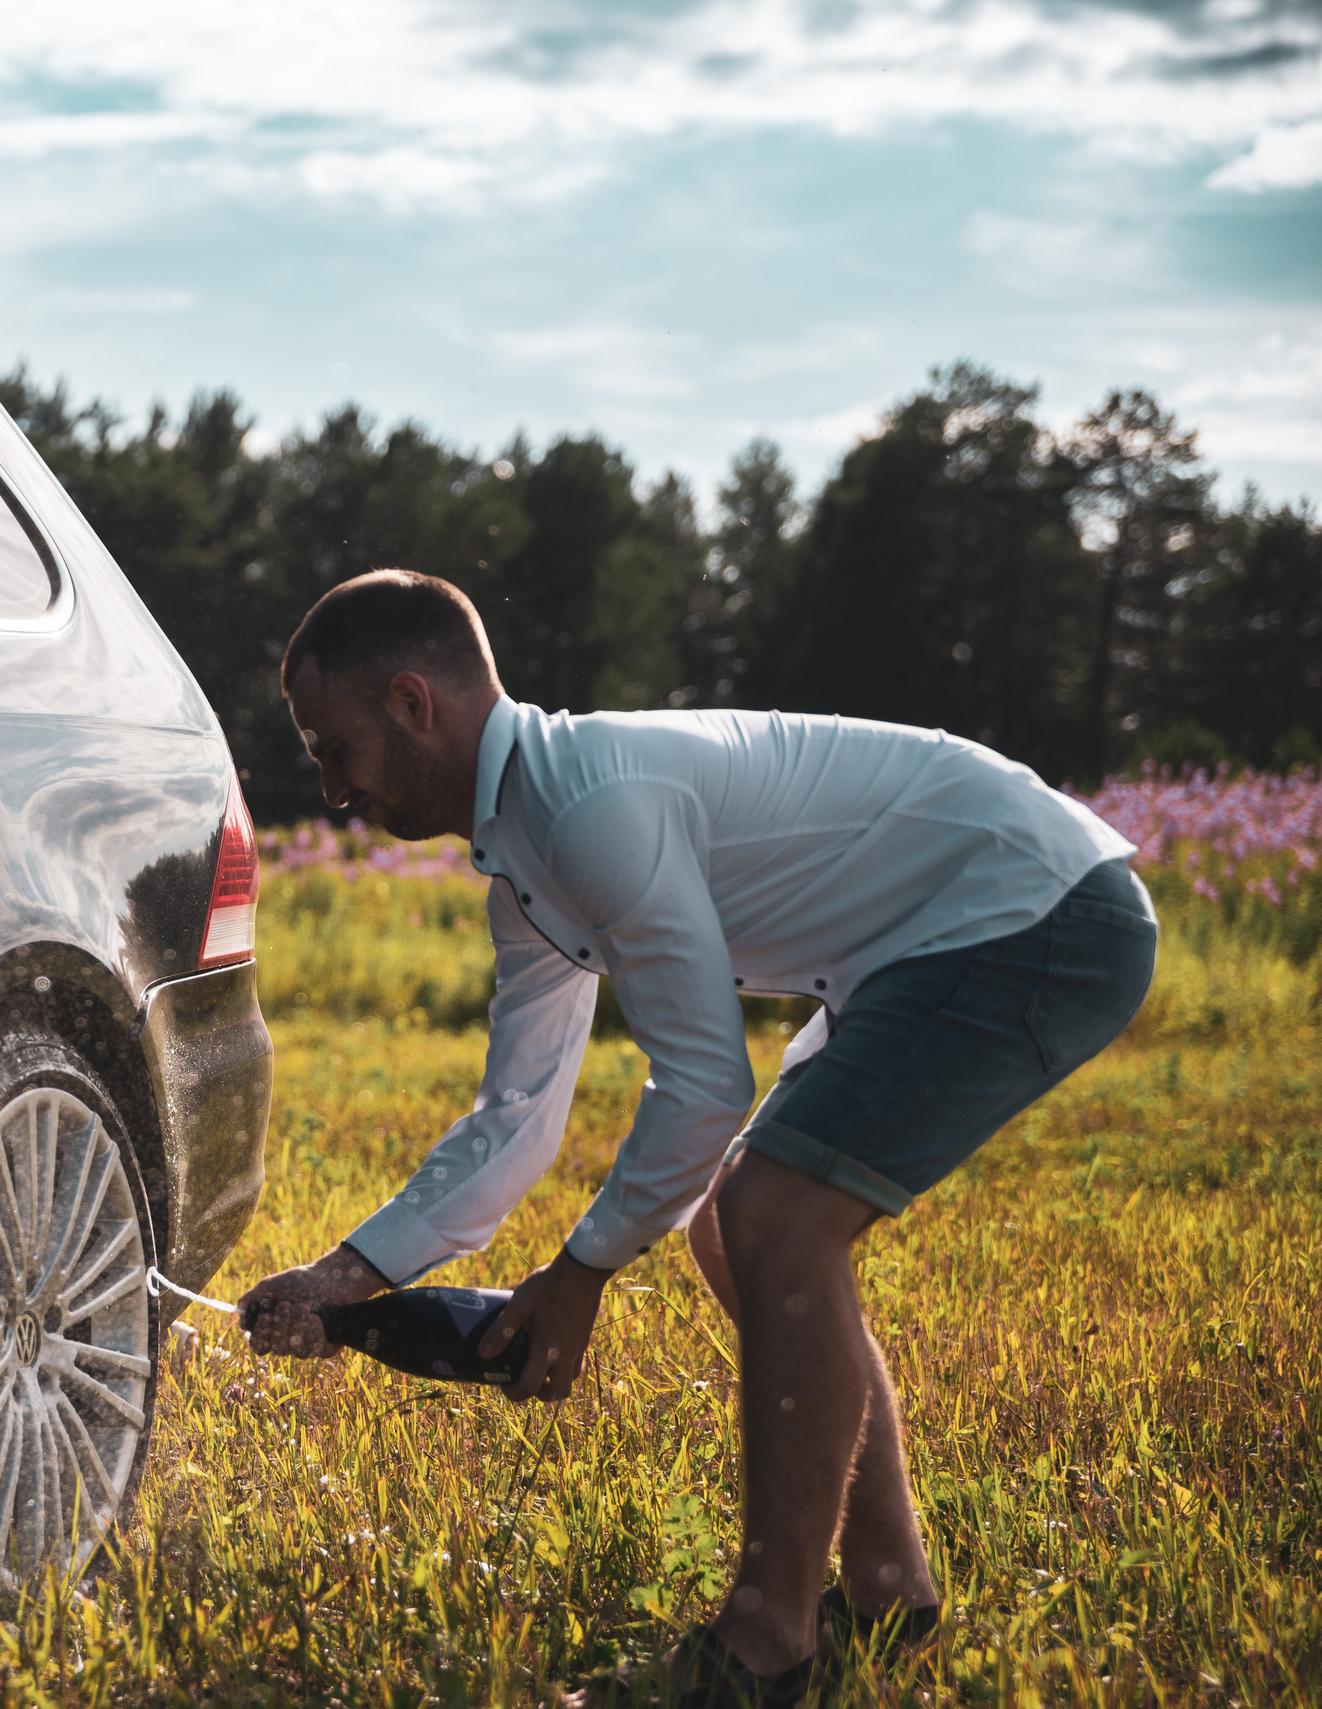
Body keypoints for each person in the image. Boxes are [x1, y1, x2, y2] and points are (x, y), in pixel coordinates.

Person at [237, 570, 1156, 1705]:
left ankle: (767, 1642)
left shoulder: (586, 808)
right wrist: (343, 1276)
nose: (331, 787)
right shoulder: (524, 859)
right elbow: (515, 1119)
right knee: (738, 1231)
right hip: (926, 939)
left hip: (1036, 909)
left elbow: (704, 1081)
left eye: (335, 750)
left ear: (414, 703)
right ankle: (885, 1594)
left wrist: (578, 1274)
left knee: (771, 1217)